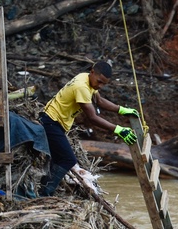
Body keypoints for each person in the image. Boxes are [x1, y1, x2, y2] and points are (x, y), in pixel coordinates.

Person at [37, 60, 139, 196]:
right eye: (99, 82)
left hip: (56, 123)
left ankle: (44, 190)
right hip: (51, 122)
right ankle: (45, 193)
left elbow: (100, 101)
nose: (100, 86)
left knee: (58, 159)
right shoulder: (82, 87)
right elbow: (93, 118)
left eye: (104, 84)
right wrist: (118, 130)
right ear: (92, 72)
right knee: (68, 160)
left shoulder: (88, 80)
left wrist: (122, 110)